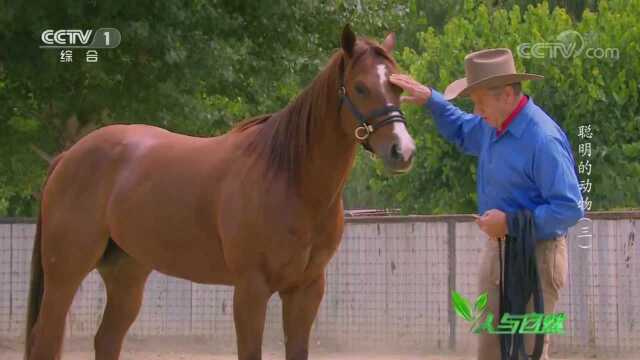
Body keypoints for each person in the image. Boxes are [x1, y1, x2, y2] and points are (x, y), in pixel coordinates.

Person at [390, 48, 583, 359]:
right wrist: (431, 99)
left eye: (479, 102)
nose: (477, 111)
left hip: (538, 256)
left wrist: (509, 223)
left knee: (529, 350)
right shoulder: (493, 126)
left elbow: (570, 207)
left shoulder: (542, 140)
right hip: (499, 251)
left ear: (507, 95)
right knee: (491, 349)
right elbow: (463, 128)